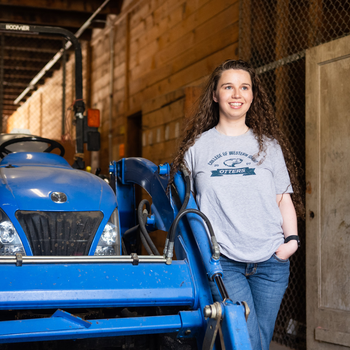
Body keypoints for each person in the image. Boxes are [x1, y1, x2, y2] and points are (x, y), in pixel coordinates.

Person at [168, 59, 303, 350]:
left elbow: (283, 198)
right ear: (215, 95)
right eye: (228, 87)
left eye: (244, 87)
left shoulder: (269, 146)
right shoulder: (197, 148)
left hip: (271, 261)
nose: (237, 94)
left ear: (253, 95)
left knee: (260, 339)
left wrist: (291, 241)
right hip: (225, 261)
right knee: (246, 338)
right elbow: (187, 204)